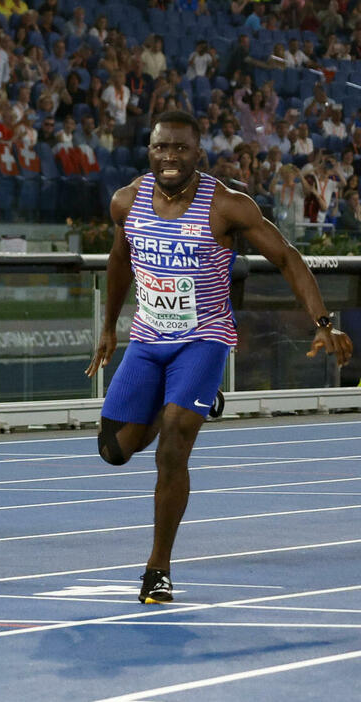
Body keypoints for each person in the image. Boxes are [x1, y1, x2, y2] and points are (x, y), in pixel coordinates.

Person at [85, 111, 352, 605]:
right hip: (146, 341)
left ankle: (157, 569)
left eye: (180, 149)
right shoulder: (127, 201)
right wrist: (107, 328)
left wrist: (321, 322)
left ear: (198, 153)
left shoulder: (227, 205)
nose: (170, 157)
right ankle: (198, 399)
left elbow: (288, 257)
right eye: (161, 147)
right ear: (150, 150)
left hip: (204, 339)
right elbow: (120, 260)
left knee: (173, 446)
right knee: (113, 451)